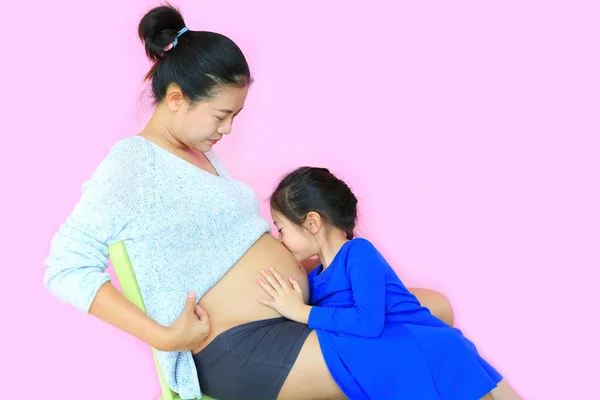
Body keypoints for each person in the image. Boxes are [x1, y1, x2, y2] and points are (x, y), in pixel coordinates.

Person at [44, 4, 455, 400]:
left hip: (294, 311)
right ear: (175, 99)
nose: (227, 128)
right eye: (221, 114)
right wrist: (164, 336)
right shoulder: (133, 162)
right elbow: (66, 267)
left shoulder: (202, 156)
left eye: (235, 116)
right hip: (240, 347)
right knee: (425, 349)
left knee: (436, 309)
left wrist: (316, 255)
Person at [258, 166, 518, 400]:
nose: (280, 238)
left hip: (430, 350)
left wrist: (300, 311)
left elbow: (368, 321)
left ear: (312, 222)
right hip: (398, 358)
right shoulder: (315, 277)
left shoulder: (358, 253)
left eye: (282, 228)